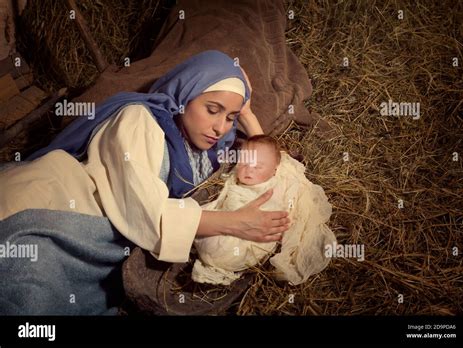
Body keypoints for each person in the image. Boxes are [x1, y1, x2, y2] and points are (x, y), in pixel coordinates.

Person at [0, 50, 290, 315]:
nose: (220, 127)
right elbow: (147, 210)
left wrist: (248, 115)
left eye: (230, 117)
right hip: (57, 199)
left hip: (115, 223)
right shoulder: (138, 120)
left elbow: (267, 159)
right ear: (184, 95)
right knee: (29, 278)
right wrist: (233, 222)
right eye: (212, 110)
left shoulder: (211, 148)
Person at [192, 135, 287, 285]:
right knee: (199, 220)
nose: (249, 170)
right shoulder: (235, 179)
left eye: (257, 167)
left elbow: (275, 213)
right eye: (243, 164)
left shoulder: (270, 190)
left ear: (274, 170)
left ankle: (216, 256)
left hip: (244, 243)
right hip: (228, 228)